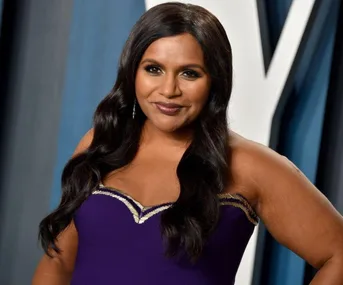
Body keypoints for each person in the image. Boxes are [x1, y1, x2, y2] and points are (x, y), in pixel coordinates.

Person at [32, 2, 343, 285]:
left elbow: (337, 253)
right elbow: (58, 262)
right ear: (132, 72)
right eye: (153, 69)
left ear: (215, 82)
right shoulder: (102, 144)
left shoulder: (248, 164)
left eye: (189, 74)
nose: (169, 90)